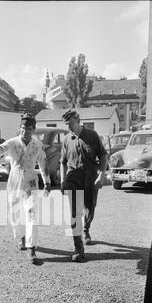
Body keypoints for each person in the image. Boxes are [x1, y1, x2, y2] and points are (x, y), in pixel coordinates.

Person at [0, 113, 51, 264]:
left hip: (31, 181)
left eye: (28, 129)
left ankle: (32, 249)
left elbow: (43, 163)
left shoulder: (37, 145)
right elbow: (1, 148)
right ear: (20, 128)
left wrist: (47, 182)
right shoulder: (13, 142)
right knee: (16, 214)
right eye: (23, 128)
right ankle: (23, 238)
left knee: (32, 214)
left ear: (33, 129)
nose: (25, 131)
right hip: (15, 181)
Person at [60, 109, 108, 262]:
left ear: (78, 121)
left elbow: (103, 156)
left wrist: (101, 175)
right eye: (67, 124)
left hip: (90, 178)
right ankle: (78, 248)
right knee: (75, 213)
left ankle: (86, 229)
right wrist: (62, 181)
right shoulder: (66, 139)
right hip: (73, 179)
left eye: (71, 124)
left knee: (90, 207)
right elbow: (63, 163)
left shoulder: (92, 136)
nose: (69, 127)